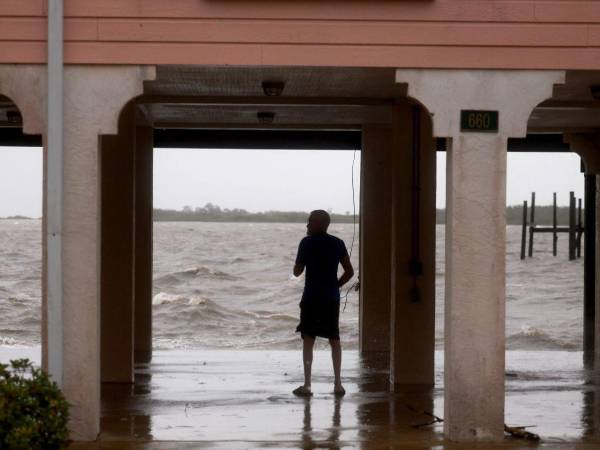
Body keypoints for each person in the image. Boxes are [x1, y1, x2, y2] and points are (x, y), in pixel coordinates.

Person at [292, 209, 354, 397]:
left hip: (311, 297)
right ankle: (338, 384)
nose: (307, 225)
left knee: (309, 340)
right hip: (331, 298)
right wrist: (335, 285)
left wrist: (300, 262)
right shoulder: (337, 243)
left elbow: (297, 272)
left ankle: (308, 385)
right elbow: (349, 272)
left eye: (310, 222)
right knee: (334, 339)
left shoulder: (306, 243)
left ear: (319, 224)